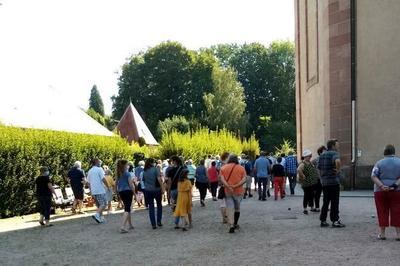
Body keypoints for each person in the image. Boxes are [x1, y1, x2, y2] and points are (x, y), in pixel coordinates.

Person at [371, 144, 400, 240]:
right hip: (396, 191)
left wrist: (382, 186)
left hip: (380, 191)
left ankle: (382, 233)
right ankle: (398, 234)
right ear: (394, 152)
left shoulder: (379, 163)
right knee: (397, 211)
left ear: (384, 152)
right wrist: (395, 185)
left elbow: (373, 176)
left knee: (382, 210)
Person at [318, 139, 345, 228]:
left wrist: (322, 177)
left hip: (325, 182)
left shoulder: (322, 155)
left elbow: (318, 168)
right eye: (337, 145)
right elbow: (337, 161)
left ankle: (323, 220)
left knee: (325, 202)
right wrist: (338, 170)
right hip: (333, 182)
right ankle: (335, 220)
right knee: (334, 202)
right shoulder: (334, 153)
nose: (338, 146)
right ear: (333, 146)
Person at [220, 154, 247, 233]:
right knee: (237, 208)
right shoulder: (241, 168)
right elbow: (244, 179)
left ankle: (231, 225)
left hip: (228, 191)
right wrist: (235, 186)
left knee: (230, 208)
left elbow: (222, 179)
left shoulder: (223, 168)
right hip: (238, 191)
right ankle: (235, 223)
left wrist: (228, 186)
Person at [143, 158, 164, 229]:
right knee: (159, 205)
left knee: (151, 207)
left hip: (148, 190)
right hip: (156, 189)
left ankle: (153, 224)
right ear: (152, 163)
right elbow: (159, 179)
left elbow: (144, 180)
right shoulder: (156, 169)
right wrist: (162, 188)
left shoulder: (145, 171)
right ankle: (159, 221)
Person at [115, 159, 135, 233]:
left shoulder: (118, 173)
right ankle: (122, 226)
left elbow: (116, 183)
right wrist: (135, 193)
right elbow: (131, 185)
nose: (128, 166)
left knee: (127, 207)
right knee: (127, 208)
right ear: (124, 166)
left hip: (121, 191)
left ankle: (130, 224)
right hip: (128, 191)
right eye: (127, 164)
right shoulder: (127, 174)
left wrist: (116, 191)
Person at [87, 158, 109, 224]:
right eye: (99, 162)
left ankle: (100, 217)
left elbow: (88, 182)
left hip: (94, 191)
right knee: (104, 204)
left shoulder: (90, 171)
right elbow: (103, 179)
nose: (100, 163)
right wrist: (108, 186)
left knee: (99, 205)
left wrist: (91, 190)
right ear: (96, 162)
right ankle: (97, 215)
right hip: (100, 190)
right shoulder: (99, 169)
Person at [297, 150, 319, 214]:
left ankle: (312, 207)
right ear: (305, 156)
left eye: (310, 156)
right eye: (309, 156)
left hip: (312, 182)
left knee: (312, 195)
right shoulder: (303, 164)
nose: (310, 157)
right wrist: (303, 176)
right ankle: (305, 208)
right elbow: (298, 169)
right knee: (306, 195)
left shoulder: (310, 162)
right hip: (306, 183)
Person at [311, 146, 327, 212]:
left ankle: (325, 207)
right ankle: (317, 207)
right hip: (318, 179)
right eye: (324, 151)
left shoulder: (327, 159)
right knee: (317, 194)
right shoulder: (316, 159)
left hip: (325, 179)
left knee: (326, 194)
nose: (326, 152)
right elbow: (310, 164)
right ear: (320, 152)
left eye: (326, 151)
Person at [217, 152, 230, 224]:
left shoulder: (221, 166)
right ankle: (227, 218)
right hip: (229, 187)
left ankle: (223, 218)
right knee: (228, 204)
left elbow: (219, 178)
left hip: (222, 187)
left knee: (222, 204)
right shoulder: (229, 166)